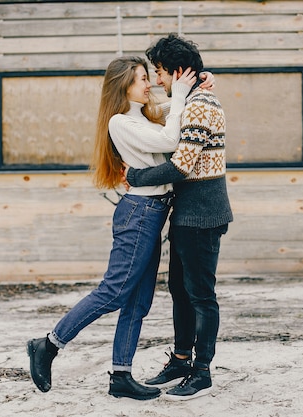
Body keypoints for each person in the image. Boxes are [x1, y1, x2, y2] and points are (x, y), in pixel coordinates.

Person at [26, 56, 214, 400]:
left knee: (139, 301)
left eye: (148, 77)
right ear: (124, 86)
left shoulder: (142, 115)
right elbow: (173, 140)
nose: (149, 84)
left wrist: (197, 85)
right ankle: (48, 344)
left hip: (153, 212)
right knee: (113, 292)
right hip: (138, 214)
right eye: (142, 79)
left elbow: (174, 103)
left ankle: (121, 376)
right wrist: (183, 94)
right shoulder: (120, 122)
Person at [124, 33, 233, 401]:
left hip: (202, 214)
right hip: (189, 213)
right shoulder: (193, 100)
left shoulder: (201, 105)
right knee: (180, 291)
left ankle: (201, 373)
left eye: (159, 72)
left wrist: (137, 177)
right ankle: (182, 360)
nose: (156, 80)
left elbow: (183, 164)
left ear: (177, 71)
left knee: (201, 295)